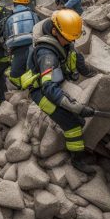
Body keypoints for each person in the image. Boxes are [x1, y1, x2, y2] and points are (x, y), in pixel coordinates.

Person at [21, 9, 96, 173]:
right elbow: (48, 88)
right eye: (68, 39)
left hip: (55, 83)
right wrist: (74, 107)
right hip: (41, 92)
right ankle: (77, 160)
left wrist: (94, 74)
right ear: (54, 31)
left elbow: (78, 60)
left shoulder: (64, 38)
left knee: (73, 115)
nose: (71, 42)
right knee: (72, 123)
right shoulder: (47, 54)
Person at [3, 0, 39, 89]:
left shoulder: (9, 18)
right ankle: (34, 86)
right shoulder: (32, 14)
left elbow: (6, 35)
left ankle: (23, 87)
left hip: (16, 48)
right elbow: (38, 28)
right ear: (27, 4)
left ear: (14, 4)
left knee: (15, 73)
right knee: (34, 68)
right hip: (33, 45)